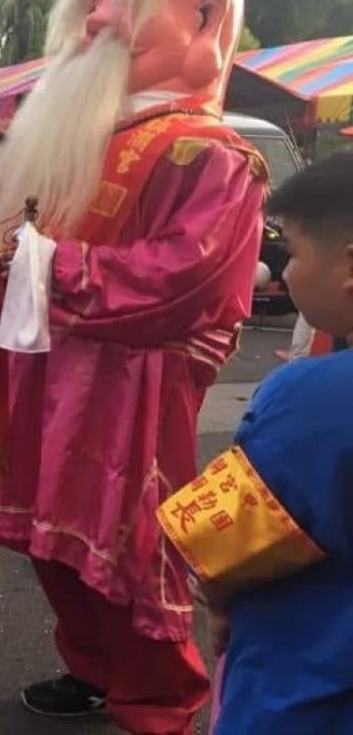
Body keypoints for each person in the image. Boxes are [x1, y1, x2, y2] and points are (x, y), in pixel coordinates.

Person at [0, 0, 267, 733]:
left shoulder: (211, 155)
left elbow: (183, 281)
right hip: (44, 372)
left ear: (205, 18)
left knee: (132, 548)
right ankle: (94, 668)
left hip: (132, 394)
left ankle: (159, 699)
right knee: (51, 541)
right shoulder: (85, 132)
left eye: (121, 7)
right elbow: (0, 246)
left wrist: (46, 266)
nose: (94, 24)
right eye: (90, 8)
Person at [156, 153, 353, 734]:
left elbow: (222, 543)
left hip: (306, 683)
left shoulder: (309, 400)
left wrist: (218, 604)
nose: (283, 274)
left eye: (290, 252)